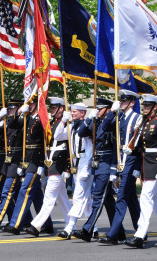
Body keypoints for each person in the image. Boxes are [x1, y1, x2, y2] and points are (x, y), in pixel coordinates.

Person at [125, 94, 157, 249]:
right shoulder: (144, 123)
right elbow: (142, 148)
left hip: (155, 167)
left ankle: (140, 236)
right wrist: (131, 151)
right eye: (144, 105)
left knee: (145, 199)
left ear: (155, 107)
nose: (144, 108)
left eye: (148, 106)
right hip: (146, 167)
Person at [2, 97, 53, 235]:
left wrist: (42, 163)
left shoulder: (42, 119)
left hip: (36, 160)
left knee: (25, 190)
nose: (29, 106)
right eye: (28, 104)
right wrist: (18, 113)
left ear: (37, 104)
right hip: (27, 160)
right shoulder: (27, 118)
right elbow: (12, 124)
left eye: (31, 103)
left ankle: (15, 224)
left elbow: (44, 143)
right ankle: (47, 224)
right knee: (36, 195)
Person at [98, 90, 141, 245]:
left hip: (131, 162)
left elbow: (140, 145)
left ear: (132, 103)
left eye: (124, 101)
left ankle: (113, 235)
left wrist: (138, 167)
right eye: (121, 101)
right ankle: (140, 230)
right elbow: (104, 128)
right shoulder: (119, 117)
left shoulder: (137, 118)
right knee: (131, 200)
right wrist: (112, 112)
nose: (122, 103)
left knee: (121, 197)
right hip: (120, 161)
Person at [73, 97, 119, 242]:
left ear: (107, 110)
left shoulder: (112, 122)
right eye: (97, 109)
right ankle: (118, 232)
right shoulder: (96, 121)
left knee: (98, 198)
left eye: (100, 109)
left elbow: (105, 135)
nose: (97, 111)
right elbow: (80, 133)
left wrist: (113, 170)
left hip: (106, 164)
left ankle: (87, 230)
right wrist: (88, 119)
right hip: (98, 164)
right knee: (108, 201)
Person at [25, 97, 71, 237]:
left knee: (49, 197)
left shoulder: (67, 124)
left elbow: (67, 146)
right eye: (50, 107)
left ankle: (36, 225)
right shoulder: (52, 122)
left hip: (59, 165)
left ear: (61, 108)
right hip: (51, 165)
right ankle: (71, 224)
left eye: (54, 107)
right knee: (63, 199)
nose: (51, 110)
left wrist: (68, 168)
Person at [0, 98, 24, 232]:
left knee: (8, 193)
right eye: (9, 108)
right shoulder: (7, 122)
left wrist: (18, 114)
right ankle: (24, 221)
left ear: (19, 108)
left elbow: (16, 124)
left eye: (13, 108)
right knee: (16, 195)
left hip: (17, 161)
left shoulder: (21, 121)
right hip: (7, 162)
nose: (10, 110)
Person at [54, 102, 94, 239]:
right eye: (71, 111)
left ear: (82, 113)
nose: (72, 113)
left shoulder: (88, 126)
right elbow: (57, 136)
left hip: (84, 164)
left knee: (78, 197)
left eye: (75, 112)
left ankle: (69, 227)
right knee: (86, 199)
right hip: (75, 164)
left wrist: (87, 168)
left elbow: (89, 149)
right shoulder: (71, 127)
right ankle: (92, 228)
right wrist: (63, 121)